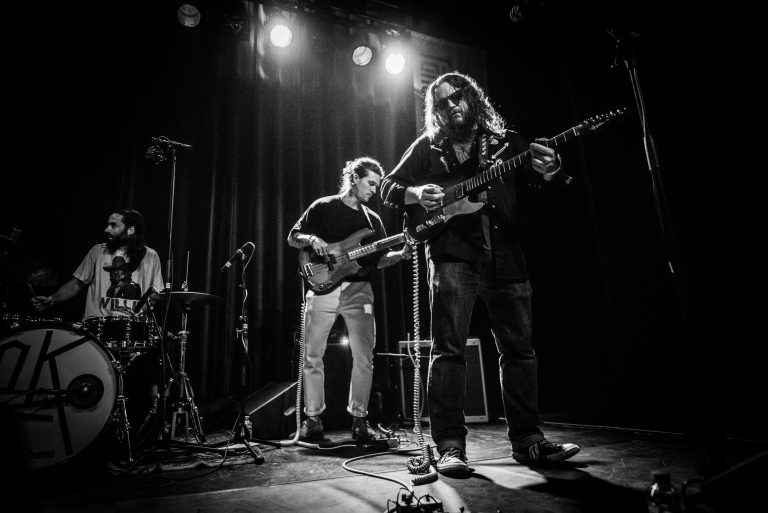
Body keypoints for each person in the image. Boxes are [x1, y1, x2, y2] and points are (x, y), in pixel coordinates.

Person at [379, 72, 580, 474]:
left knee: (520, 352)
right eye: (441, 103)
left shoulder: (507, 141)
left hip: (506, 256)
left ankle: (528, 441)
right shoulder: (428, 147)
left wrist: (550, 169)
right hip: (453, 256)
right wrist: (416, 193)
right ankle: (451, 446)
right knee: (448, 352)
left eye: (457, 98)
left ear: (472, 98)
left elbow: (546, 190)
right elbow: (388, 186)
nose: (450, 106)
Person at [287, 157, 412, 443]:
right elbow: (293, 238)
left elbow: (379, 260)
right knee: (312, 355)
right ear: (354, 178)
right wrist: (311, 239)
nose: (373, 190)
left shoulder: (373, 220)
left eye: (377, 185)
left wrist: (401, 255)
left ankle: (359, 419)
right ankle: (313, 419)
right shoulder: (323, 206)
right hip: (322, 288)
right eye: (370, 183)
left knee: (364, 357)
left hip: (360, 290)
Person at [31, 209, 164, 320]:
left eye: (113, 225)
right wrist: (52, 299)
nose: (107, 229)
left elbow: (156, 294)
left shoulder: (150, 256)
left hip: (132, 328)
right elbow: (76, 284)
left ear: (130, 230)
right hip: (96, 327)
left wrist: (150, 303)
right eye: (108, 224)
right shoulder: (98, 251)